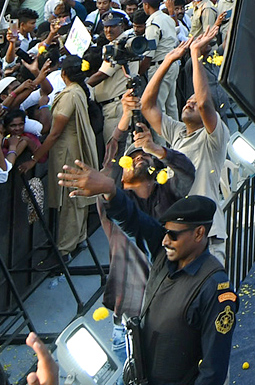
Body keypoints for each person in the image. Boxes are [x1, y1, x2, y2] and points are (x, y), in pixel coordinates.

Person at [107, 194, 237, 385]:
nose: (165, 241)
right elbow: (134, 221)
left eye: (173, 235)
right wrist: (111, 193)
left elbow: (213, 370)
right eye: (165, 232)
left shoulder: (215, 288)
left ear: (199, 233)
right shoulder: (164, 256)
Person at [140, 25, 230, 263]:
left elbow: (203, 103)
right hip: (177, 233)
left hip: (206, 233)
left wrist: (194, 54)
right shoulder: (178, 133)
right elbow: (147, 107)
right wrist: (168, 60)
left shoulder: (214, 136)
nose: (188, 104)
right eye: (186, 102)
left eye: (193, 102)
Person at [28, 54, 97, 265]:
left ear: (64, 73)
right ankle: (80, 238)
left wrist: (34, 158)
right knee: (76, 198)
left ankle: (65, 248)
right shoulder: (78, 90)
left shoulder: (70, 95)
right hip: (73, 150)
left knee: (70, 200)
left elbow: (55, 133)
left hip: (68, 152)